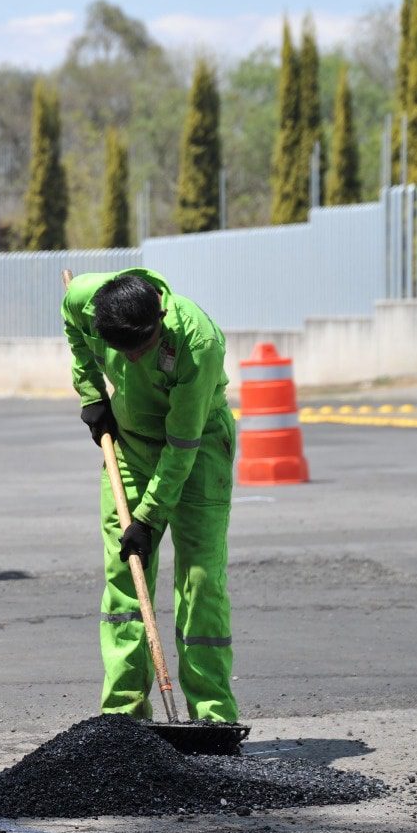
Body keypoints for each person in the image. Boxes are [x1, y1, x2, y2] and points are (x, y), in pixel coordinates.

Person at [62, 268, 238, 725]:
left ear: (158, 316)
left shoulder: (198, 345)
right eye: (123, 352)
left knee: (200, 577)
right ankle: (124, 715)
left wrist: (149, 518)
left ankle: (212, 714)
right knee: (125, 574)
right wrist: (90, 393)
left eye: (141, 349)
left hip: (196, 451)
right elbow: (74, 329)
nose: (134, 359)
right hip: (128, 447)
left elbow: (181, 447)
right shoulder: (86, 297)